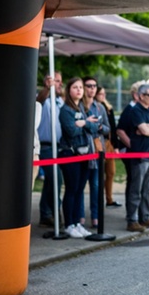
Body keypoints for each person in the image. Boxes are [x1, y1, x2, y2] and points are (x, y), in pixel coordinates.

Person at [116, 83, 149, 232]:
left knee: (147, 189)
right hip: (139, 156)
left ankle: (144, 217)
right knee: (136, 189)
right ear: (141, 96)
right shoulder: (135, 110)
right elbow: (144, 130)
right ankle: (132, 220)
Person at [57, 77, 94, 239]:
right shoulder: (66, 110)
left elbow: (94, 127)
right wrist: (84, 124)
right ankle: (69, 224)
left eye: (80, 87)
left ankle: (78, 222)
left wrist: (83, 123)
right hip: (70, 153)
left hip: (85, 153)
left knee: (79, 190)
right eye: (75, 87)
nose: (79, 90)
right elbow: (70, 131)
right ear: (68, 90)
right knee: (71, 189)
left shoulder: (83, 107)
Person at [81, 76, 111, 228]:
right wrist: (91, 125)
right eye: (88, 85)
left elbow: (107, 128)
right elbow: (79, 127)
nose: (92, 88)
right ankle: (79, 218)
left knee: (96, 185)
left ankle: (96, 217)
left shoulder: (99, 107)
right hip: (82, 150)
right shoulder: (78, 106)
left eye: (94, 86)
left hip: (97, 150)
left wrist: (97, 127)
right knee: (79, 186)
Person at [36, 72, 63, 227]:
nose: (58, 84)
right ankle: (52, 212)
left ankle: (46, 213)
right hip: (46, 146)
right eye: (55, 81)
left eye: (59, 81)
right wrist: (47, 89)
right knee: (55, 179)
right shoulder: (43, 99)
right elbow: (39, 101)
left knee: (51, 182)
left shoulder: (59, 101)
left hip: (58, 147)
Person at [96, 86, 121, 208]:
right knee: (99, 174)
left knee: (111, 172)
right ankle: (98, 200)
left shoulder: (108, 108)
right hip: (99, 143)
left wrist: (115, 145)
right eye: (100, 93)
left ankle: (109, 198)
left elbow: (112, 128)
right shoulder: (93, 108)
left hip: (109, 142)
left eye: (104, 93)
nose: (103, 96)